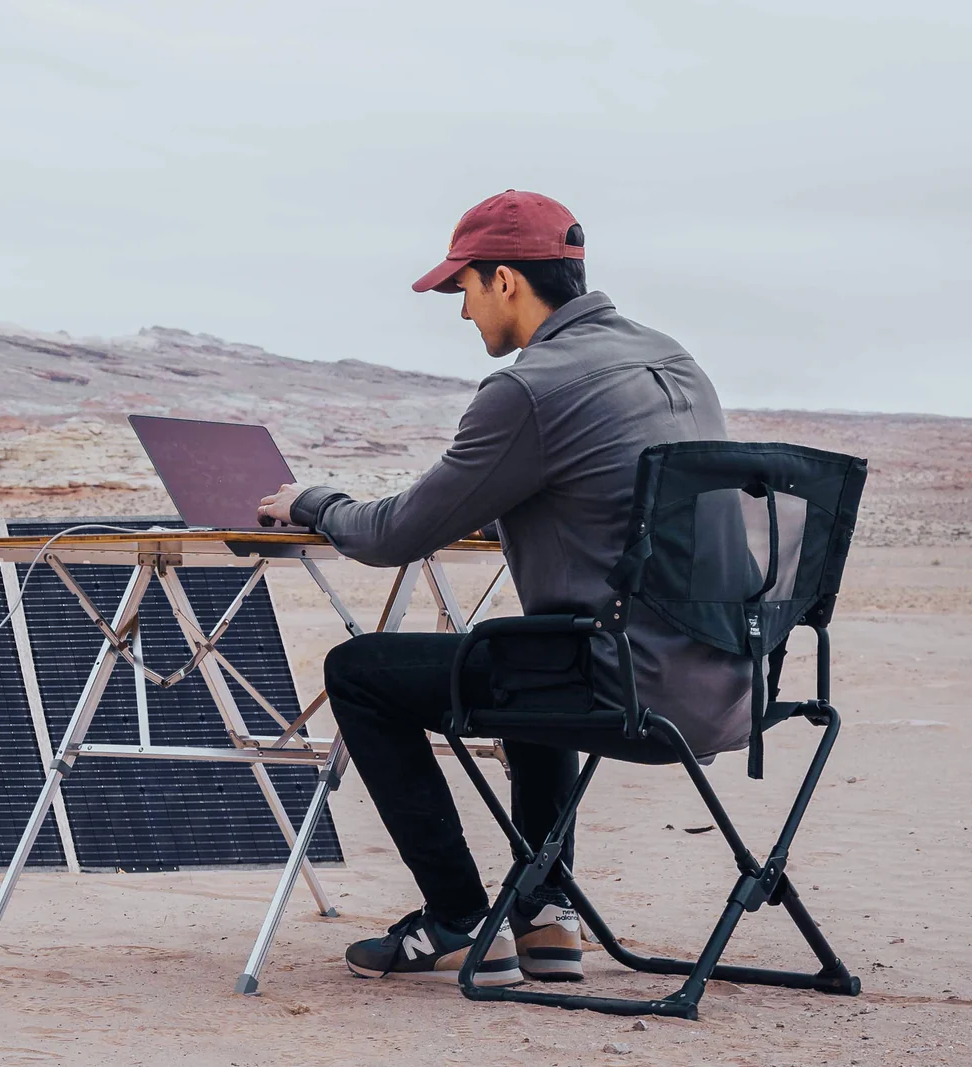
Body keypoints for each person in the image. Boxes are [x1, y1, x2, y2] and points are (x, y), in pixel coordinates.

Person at [256, 190, 751, 986]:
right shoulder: (672, 358)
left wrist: (313, 503)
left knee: (361, 673)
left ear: (508, 281)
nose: (462, 313)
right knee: (534, 649)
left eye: (465, 289)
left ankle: (453, 911)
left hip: (621, 684)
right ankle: (545, 912)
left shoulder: (530, 387)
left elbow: (393, 536)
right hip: (724, 681)